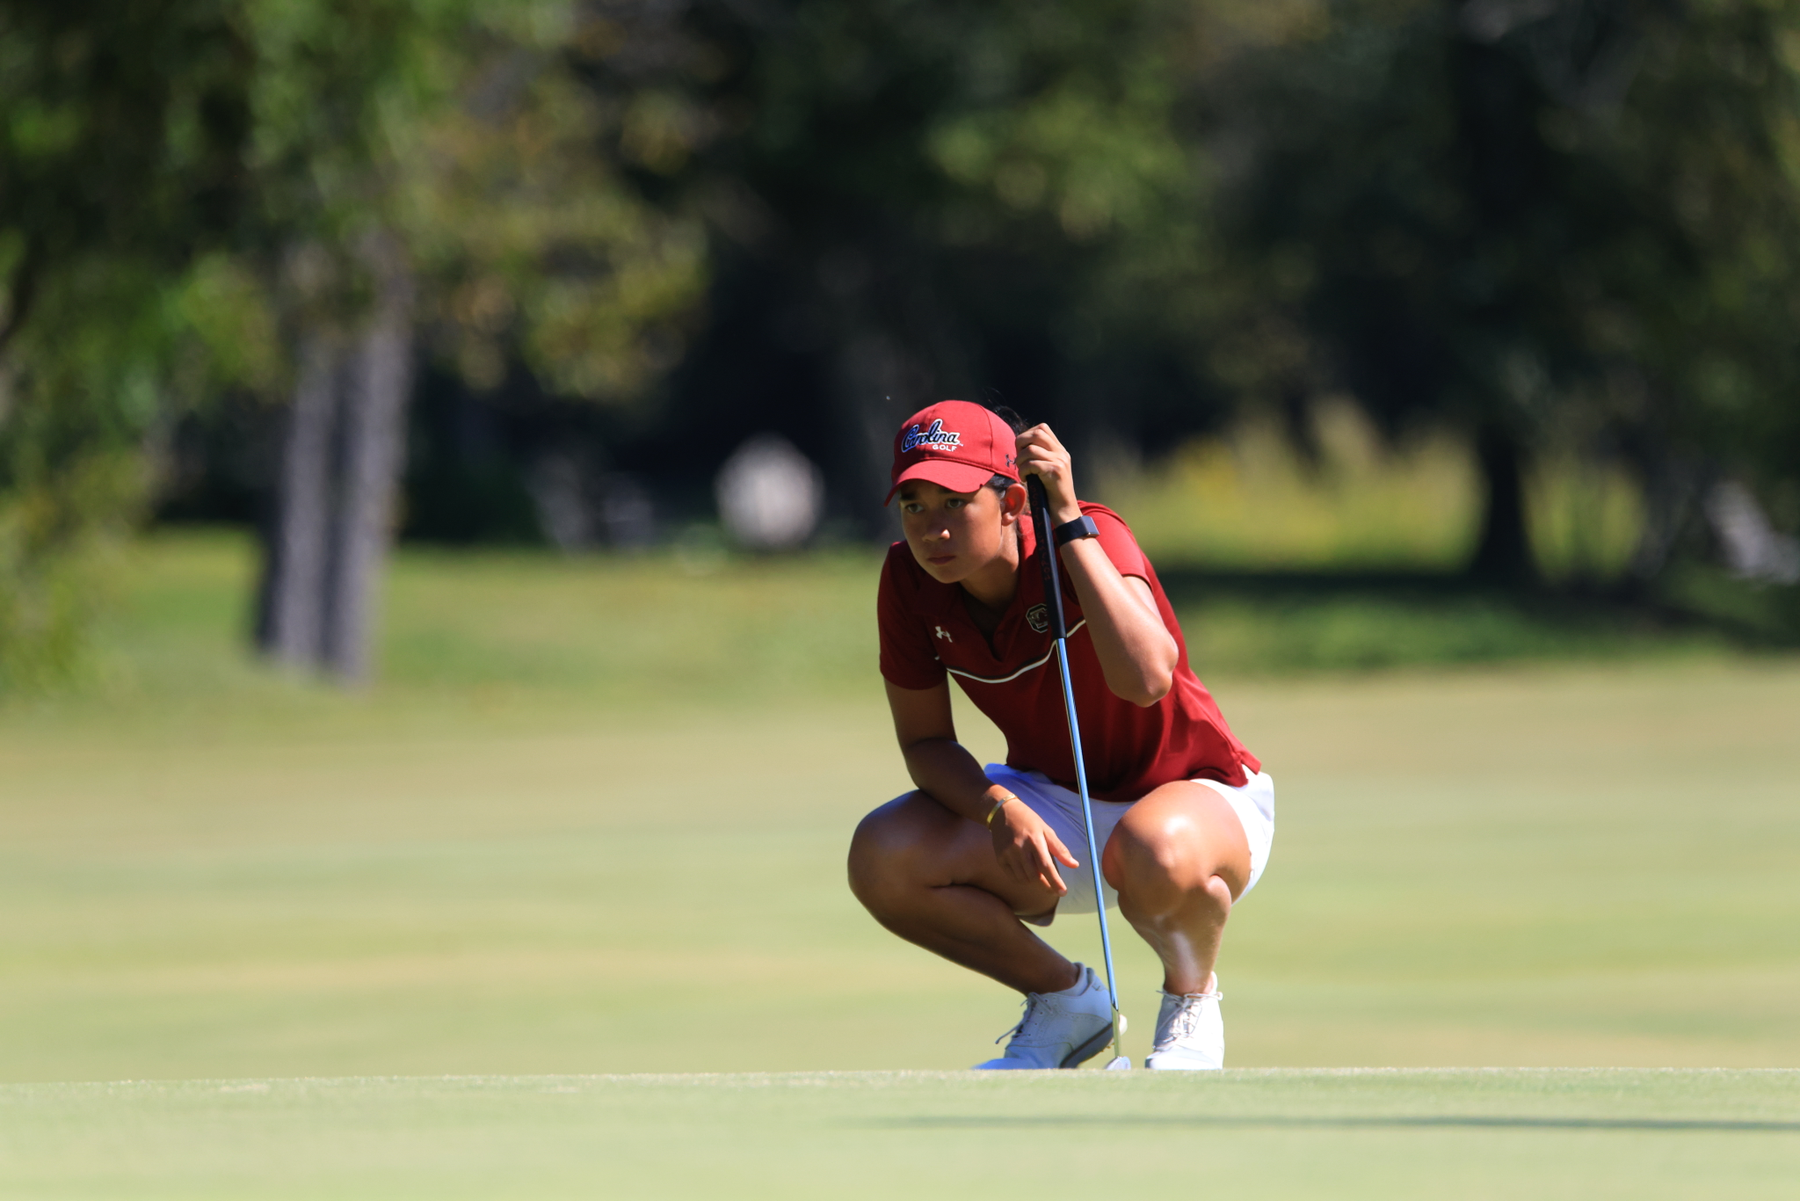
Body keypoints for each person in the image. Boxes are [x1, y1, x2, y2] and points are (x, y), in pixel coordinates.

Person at [848, 400, 1274, 1070]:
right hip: (1057, 801)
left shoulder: (1089, 533)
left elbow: (1146, 679)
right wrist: (998, 805)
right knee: (882, 854)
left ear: (1013, 497)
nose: (932, 529)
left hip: (1198, 795)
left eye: (954, 502)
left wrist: (1071, 523)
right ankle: (1067, 1003)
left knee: (1154, 846)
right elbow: (925, 744)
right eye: (914, 505)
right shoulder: (907, 581)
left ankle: (1192, 1000)